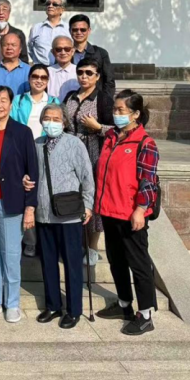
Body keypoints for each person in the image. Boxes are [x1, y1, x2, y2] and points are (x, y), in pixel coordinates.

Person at [95, 90, 160, 336]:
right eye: (115, 109)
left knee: (139, 263)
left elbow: (148, 181)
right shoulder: (112, 136)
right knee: (116, 260)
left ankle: (145, 314)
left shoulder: (145, 143)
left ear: (135, 114)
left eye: (121, 110)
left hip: (131, 213)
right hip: (109, 210)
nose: (116, 113)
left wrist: (141, 210)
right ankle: (124, 304)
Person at [0, 87, 38, 324]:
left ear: (11, 105)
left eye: (3, 100)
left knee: (11, 254)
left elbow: (32, 171)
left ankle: (12, 303)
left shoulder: (22, 132)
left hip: (13, 202)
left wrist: (30, 207)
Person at [33, 103, 94, 330]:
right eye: (47, 118)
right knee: (48, 262)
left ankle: (74, 309)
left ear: (65, 122)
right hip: (44, 213)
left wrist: (88, 204)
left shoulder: (74, 143)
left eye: (56, 119)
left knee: (71, 263)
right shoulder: (37, 144)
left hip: (69, 214)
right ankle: (53, 305)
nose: (51, 122)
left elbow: (87, 176)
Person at [63, 56, 115, 267]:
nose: (84, 77)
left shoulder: (103, 100)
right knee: (71, 195)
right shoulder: (70, 96)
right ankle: (76, 243)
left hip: (93, 151)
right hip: (70, 150)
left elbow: (118, 130)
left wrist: (98, 127)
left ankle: (92, 247)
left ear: (97, 76)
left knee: (91, 197)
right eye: (80, 72)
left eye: (89, 73)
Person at [10, 63, 60, 258]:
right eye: (35, 76)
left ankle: (48, 240)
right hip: (23, 152)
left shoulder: (54, 101)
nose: (39, 80)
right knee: (27, 195)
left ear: (47, 81)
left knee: (45, 196)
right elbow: (13, 125)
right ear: (29, 79)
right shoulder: (19, 100)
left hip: (47, 152)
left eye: (43, 77)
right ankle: (30, 241)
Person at [70, 14, 116, 98]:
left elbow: (109, 81)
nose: (79, 32)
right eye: (75, 30)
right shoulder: (64, 53)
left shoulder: (100, 53)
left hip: (95, 99)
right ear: (70, 31)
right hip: (71, 98)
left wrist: (105, 100)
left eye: (83, 30)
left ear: (89, 31)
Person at [28, 0, 70, 66]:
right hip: (40, 69)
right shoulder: (36, 28)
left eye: (54, 4)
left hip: (61, 68)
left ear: (62, 10)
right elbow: (30, 49)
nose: (50, 6)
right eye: (48, 3)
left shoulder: (68, 29)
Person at [48, 36, 79, 100]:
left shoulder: (79, 72)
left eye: (67, 49)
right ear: (53, 52)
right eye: (58, 49)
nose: (63, 53)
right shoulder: (46, 72)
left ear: (73, 51)